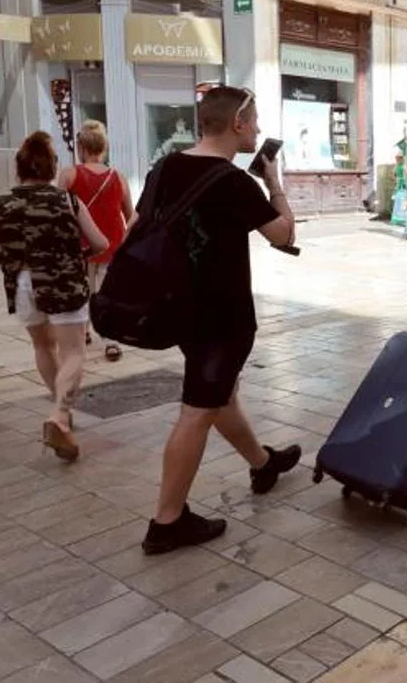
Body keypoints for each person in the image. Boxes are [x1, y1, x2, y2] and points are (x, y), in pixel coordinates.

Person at [135, 86, 301, 555]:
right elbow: (283, 235)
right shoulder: (233, 182)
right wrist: (274, 182)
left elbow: (136, 223)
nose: (260, 131)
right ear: (237, 125)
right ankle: (166, 522)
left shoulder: (165, 168)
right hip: (220, 317)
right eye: (256, 122)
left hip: (178, 308)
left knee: (218, 394)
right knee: (197, 411)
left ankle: (262, 462)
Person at [0, 132, 109, 460]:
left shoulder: (0, 204)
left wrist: (11, 259)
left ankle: (60, 411)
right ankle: (59, 415)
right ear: (51, 169)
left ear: (18, 170)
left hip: (23, 283)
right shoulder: (66, 200)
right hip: (63, 281)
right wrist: (75, 252)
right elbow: (100, 243)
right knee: (74, 351)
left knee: (42, 346)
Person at [58, 120, 135, 361]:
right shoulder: (118, 178)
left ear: (81, 147)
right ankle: (111, 340)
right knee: (105, 294)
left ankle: (84, 331)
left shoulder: (69, 175)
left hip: (78, 247)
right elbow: (130, 216)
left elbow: (59, 213)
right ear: (104, 147)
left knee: (81, 291)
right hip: (111, 246)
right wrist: (126, 243)